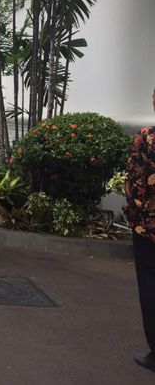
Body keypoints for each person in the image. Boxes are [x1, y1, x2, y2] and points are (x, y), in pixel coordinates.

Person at [124, 88, 155, 374]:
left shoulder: (147, 138)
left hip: (150, 228)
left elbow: (134, 183)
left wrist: (134, 219)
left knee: (150, 285)